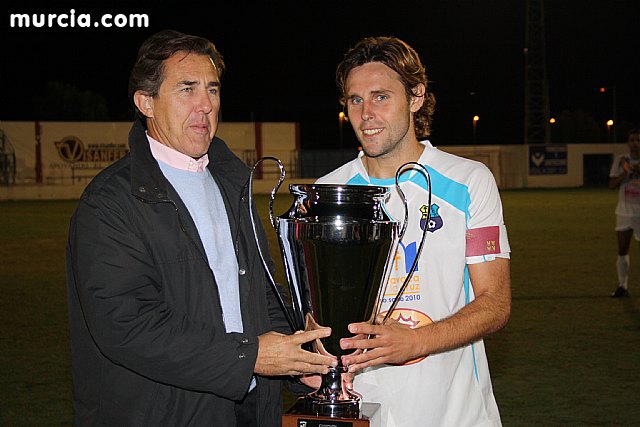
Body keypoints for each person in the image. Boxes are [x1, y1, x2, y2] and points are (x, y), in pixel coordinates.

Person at [66, 30, 337, 426]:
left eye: (212, 89)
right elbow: (126, 324)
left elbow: (261, 293)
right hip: (162, 413)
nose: (205, 105)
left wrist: (299, 361)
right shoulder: (110, 201)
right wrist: (250, 357)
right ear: (146, 103)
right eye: (187, 89)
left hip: (249, 409)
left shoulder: (230, 182)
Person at [316, 36, 512, 427]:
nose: (366, 113)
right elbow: (317, 317)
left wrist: (415, 342)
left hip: (456, 416)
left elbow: (495, 303)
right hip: (363, 413)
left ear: (416, 97)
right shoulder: (328, 194)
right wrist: (315, 361)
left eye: (381, 97)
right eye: (355, 100)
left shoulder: (469, 183)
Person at [609, 128, 640, 298]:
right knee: (622, 249)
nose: (635, 144)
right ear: (628, 143)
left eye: (638, 140)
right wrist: (625, 173)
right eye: (633, 140)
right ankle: (623, 286)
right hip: (624, 211)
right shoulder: (621, 160)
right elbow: (612, 184)